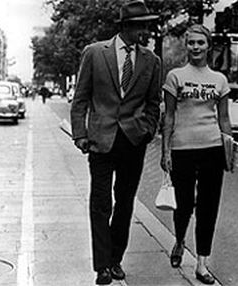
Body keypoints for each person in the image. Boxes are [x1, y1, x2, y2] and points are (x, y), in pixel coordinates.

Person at [70, 1, 161, 285]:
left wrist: (146, 130)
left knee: (124, 203)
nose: (144, 31)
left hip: (133, 141)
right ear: (125, 27)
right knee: (100, 203)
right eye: (140, 26)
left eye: (146, 25)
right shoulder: (95, 53)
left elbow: (153, 103)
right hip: (101, 139)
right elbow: (81, 98)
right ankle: (102, 267)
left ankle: (116, 259)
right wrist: (80, 134)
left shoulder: (152, 61)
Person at [160, 24, 232, 285]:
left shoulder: (219, 80)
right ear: (186, 46)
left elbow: (224, 118)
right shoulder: (175, 77)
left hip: (212, 148)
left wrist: (229, 150)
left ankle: (202, 263)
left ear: (208, 46)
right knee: (184, 203)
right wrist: (166, 150)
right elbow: (168, 116)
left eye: (201, 43)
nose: (196, 47)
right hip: (182, 149)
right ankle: (179, 239)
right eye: (191, 43)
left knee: (208, 206)